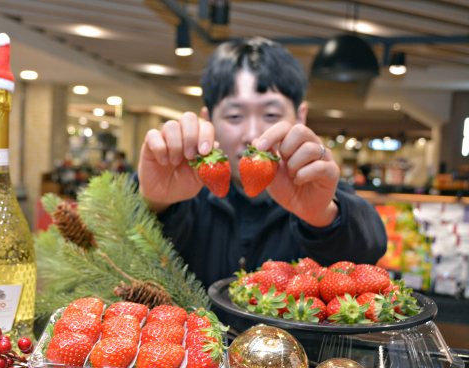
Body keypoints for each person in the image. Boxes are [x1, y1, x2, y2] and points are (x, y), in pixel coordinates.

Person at [137, 37, 387, 288]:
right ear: (208, 119)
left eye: (270, 114)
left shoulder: (318, 187)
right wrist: (154, 203)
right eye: (234, 116)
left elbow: (370, 247)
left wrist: (323, 215)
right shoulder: (186, 191)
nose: (252, 135)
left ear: (300, 117)